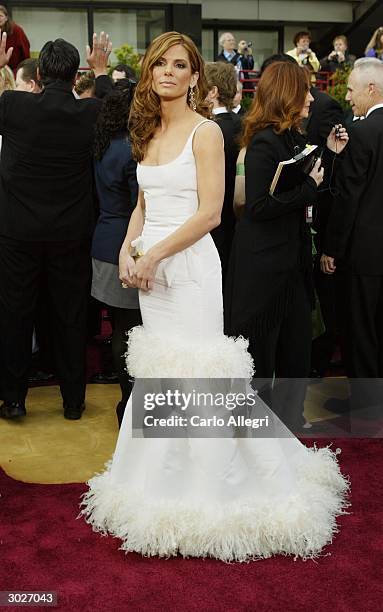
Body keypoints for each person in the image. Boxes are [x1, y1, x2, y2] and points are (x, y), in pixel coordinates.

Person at [81, 32, 349, 563]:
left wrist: (155, 254)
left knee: (203, 375)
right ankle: (160, 486)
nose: (169, 72)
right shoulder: (147, 129)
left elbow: (210, 214)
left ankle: (214, 494)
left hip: (192, 271)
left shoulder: (206, 134)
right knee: (163, 373)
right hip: (153, 270)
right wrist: (129, 251)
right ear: (150, 72)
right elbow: (143, 202)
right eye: (161, 63)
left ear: (195, 75)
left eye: (180, 65)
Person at [224, 61, 348, 431]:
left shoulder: (294, 138)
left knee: (297, 354)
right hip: (263, 274)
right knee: (260, 359)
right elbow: (258, 207)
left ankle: (290, 426)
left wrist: (330, 154)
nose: (311, 97)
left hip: (292, 268)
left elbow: (310, 184)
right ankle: (255, 435)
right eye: (305, 90)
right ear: (286, 95)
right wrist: (307, 188)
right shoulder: (264, 142)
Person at [0, 32, 112, 420]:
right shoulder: (90, 112)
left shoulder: (13, 106)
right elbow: (116, 105)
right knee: (70, 316)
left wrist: (0, 65)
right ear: (73, 72)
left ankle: (13, 399)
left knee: (16, 314)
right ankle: (73, 401)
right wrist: (100, 72)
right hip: (71, 233)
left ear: (41, 73)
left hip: (18, 233)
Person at [321, 57, 383, 415]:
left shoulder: (363, 132)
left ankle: (366, 411)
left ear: (370, 89)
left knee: (361, 332)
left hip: (363, 253)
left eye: (351, 90)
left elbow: (349, 196)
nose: (349, 97)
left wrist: (331, 247)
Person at [91, 79, 141, 427]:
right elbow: (143, 204)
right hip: (128, 245)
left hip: (103, 242)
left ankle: (128, 403)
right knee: (130, 332)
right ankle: (129, 405)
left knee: (121, 330)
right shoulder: (130, 151)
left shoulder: (103, 144)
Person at [205, 61, 242, 283]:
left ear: (213, 91)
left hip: (212, 222)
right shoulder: (245, 124)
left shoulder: (207, 128)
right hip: (239, 220)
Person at [0, 5, 29, 73]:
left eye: (0, 16)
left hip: (15, 70)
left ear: (6, 18)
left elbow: (25, 52)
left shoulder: (17, 30)